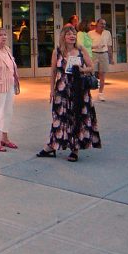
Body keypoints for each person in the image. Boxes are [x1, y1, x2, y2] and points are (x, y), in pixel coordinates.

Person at [36, 25, 101, 162]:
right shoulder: (57, 52)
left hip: (79, 90)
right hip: (62, 90)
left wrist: (82, 70)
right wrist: (51, 90)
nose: (72, 36)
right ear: (63, 37)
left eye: (74, 34)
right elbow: (53, 71)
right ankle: (51, 146)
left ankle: (75, 149)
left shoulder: (81, 50)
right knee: (59, 118)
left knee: (76, 117)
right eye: (69, 34)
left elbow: (91, 67)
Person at [89, 18, 114, 101]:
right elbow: (87, 46)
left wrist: (111, 57)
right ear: (97, 24)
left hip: (104, 54)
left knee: (102, 74)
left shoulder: (107, 33)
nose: (103, 25)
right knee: (91, 73)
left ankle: (101, 93)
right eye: (101, 24)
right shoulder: (90, 33)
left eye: (104, 24)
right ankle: (88, 93)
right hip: (93, 54)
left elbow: (109, 46)